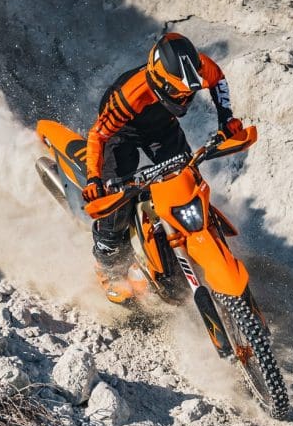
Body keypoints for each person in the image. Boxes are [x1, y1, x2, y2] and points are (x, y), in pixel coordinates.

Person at [82, 32, 244, 302]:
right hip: (121, 133)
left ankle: (198, 239)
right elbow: (98, 136)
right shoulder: (128, 97)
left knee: (188, 180)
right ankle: (108, 263)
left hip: (162, 127)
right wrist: (93, 179)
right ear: (159, 83)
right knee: (116, 202)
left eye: (188, 93)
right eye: (177, 93)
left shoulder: (197, 67)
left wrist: (226, 119)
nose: (184, 99)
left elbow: (218, 80)